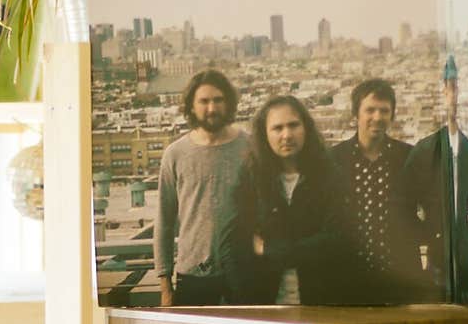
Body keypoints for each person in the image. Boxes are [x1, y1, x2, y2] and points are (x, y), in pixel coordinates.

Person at [219, 94, 344, 305]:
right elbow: (230, 245)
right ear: (264, 134)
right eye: (277, 128)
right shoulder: (250, 178)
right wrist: (245, 299)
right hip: (264, 302)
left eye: (294, 125)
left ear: (306, 128)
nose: (287, 135)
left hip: (321, 300)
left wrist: (270, 249)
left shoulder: (329, 175)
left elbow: (337, 240)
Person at [154, 68, 249, 306]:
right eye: (204, 101)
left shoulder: (250, 147)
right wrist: (165, 287)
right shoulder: (175, 154)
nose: (211, 108)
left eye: (218, 100)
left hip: (242, 272)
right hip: (192, 275)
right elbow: (164, 221)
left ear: (228, 103)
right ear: (191, 106)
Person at [401, 54, 468, 305]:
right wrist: (429, 235)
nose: (451, 97)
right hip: (436, 258)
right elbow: (404, 204)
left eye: (455, 89)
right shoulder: (424, 150)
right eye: (447, 89)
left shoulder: (467, 148)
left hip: (461, 258)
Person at [331, 77, 417, 303]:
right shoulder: (334, 160)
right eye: (370, 110)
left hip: (399, 282)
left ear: (392, 115)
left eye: (384, 111)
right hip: (348, 280)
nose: (377, 117)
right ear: (355, 114)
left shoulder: (409, 157)